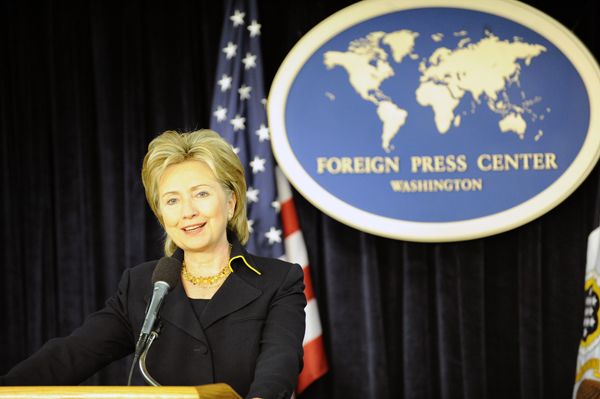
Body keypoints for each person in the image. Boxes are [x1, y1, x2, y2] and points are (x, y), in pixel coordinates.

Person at [0, 129, 307, 399]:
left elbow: (280, 361)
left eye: (200, 194)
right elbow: (71, 355)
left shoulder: (278, 280)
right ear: (162, 215)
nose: (188, 211)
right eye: (172, 200)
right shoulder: (142, 284)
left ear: (230, 202)